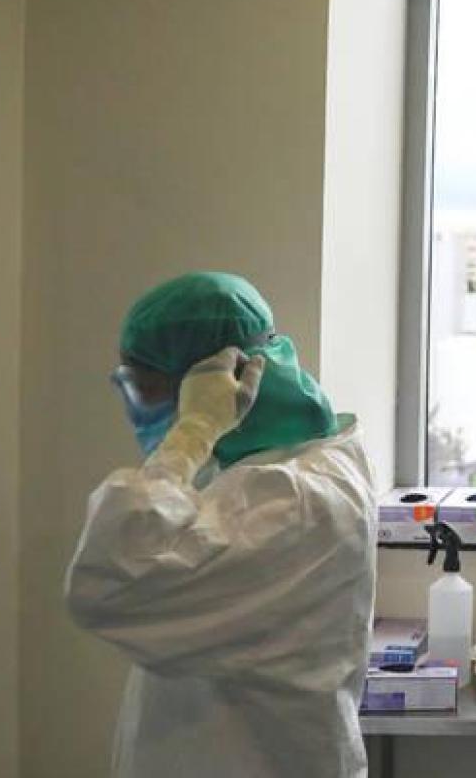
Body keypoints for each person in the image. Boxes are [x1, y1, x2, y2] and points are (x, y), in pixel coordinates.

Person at [65, 272, 377, 778]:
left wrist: (194, 432)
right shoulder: (265, 466)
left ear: (219, 383)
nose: (138, 410)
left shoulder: (293, 500)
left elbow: (109, 581)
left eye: (147, 390)